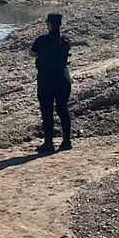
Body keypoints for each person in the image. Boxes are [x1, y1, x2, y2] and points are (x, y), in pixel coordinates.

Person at [30, 13, 72, 154]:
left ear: (50, 25)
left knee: (47, 111)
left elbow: (32, 53)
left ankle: (49, 143)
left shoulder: (42, 40)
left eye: (47, 23)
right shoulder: (65, 40)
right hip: (62, 77)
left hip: (46, 78)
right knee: (62, 109)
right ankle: (66, 141)